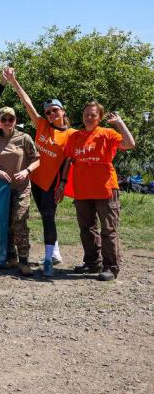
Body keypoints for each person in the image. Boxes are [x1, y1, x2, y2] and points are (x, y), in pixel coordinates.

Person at [3, 67, 71, 272]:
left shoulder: (71, 135)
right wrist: (14, 82)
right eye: (48, 112)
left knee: (48, 217)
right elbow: (27, 103)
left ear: (63, 111)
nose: (51, 114)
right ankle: (55, 252)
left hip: (51, 183)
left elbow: (68, 162)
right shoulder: (42, 124)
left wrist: (63, 184)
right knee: (43, 215)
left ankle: (49, 260)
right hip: (34, 181)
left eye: (55, 110)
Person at [59, 102, 136, 281]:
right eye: (86, 114)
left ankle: (111, 267)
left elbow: (130, 144)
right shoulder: (75, 136)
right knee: (86, 229)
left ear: (99, 117)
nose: (89, 117)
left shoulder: (107, 133)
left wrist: (119, 123)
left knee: (108, 230)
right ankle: (93, 262)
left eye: (93, 115)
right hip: (82, 189)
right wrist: (62, 183)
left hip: (105, 188)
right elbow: (69, 160)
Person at [0, 107, 40, 277]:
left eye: (11, 119)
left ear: (15, 121)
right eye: (4, 119)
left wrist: (26, 171)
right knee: (5, 223)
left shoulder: (24, 138)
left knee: (19, 220)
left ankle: (24, 261)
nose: (7, 122)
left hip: (21, 187)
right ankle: (11, 257)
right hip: (2, 190)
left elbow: (36, 160)